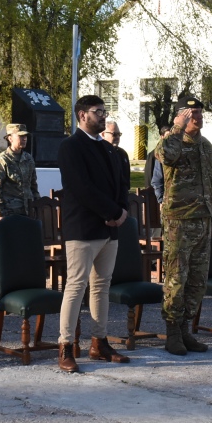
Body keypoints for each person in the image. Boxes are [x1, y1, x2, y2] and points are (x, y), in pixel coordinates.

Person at [56, 95, 131, 372]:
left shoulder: (109, 148)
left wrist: (121, 211)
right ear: (81, 115)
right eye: (97, 112)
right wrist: (111, 212)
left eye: (104, 111)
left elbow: (121, 184)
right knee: (76, 287)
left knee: (101, 286)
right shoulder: (70, 147)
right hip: (84, 228)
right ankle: (65, 346)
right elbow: (81, 188)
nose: (102, 116)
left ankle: (99, 342)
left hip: (110, 229)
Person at [157, 93, 212, 355]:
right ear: (181, 116)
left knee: (197, 280)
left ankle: (186, 330)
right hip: (179, 221)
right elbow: (163, 155)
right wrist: (176, 128)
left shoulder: (205, 145)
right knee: (176, 279)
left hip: (203, 221)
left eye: (200, 114)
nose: (198, 117)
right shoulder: (172, 141)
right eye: (192, 114)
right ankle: (173, 333)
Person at [0, 123, 39, 219]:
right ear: (10, 138)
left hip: (28, 212)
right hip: (8, 214)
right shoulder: (1, 160)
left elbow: (33, 185)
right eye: (20, 136)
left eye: (25, 136)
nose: (24, 139)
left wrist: (37, 205)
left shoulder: (28, 159)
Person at [146, 124, 170, 202]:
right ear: (162, 137)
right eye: (168, 136)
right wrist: (160, 199)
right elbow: (151, 178)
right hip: (156, 196)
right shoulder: (155, 154)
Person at [103, 119, 131, 186]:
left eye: (119, 134)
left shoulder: (122, 154)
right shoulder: (99, 153)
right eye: (114, 134)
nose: (117, 137)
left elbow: (126, 178)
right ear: (103, 134)